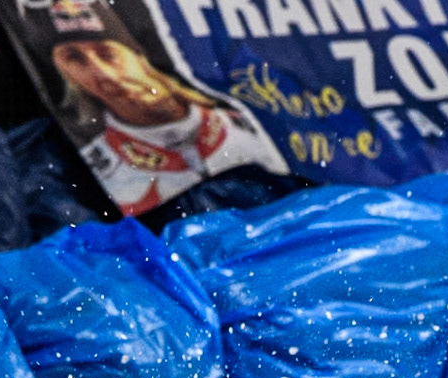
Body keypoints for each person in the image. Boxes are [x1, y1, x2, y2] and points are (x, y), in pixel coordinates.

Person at [18, 0, 283, 216]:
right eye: (74, 59)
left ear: (140, 55)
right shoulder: (93, 168)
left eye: (108, 53)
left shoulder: (249, 127)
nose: (102, 74)